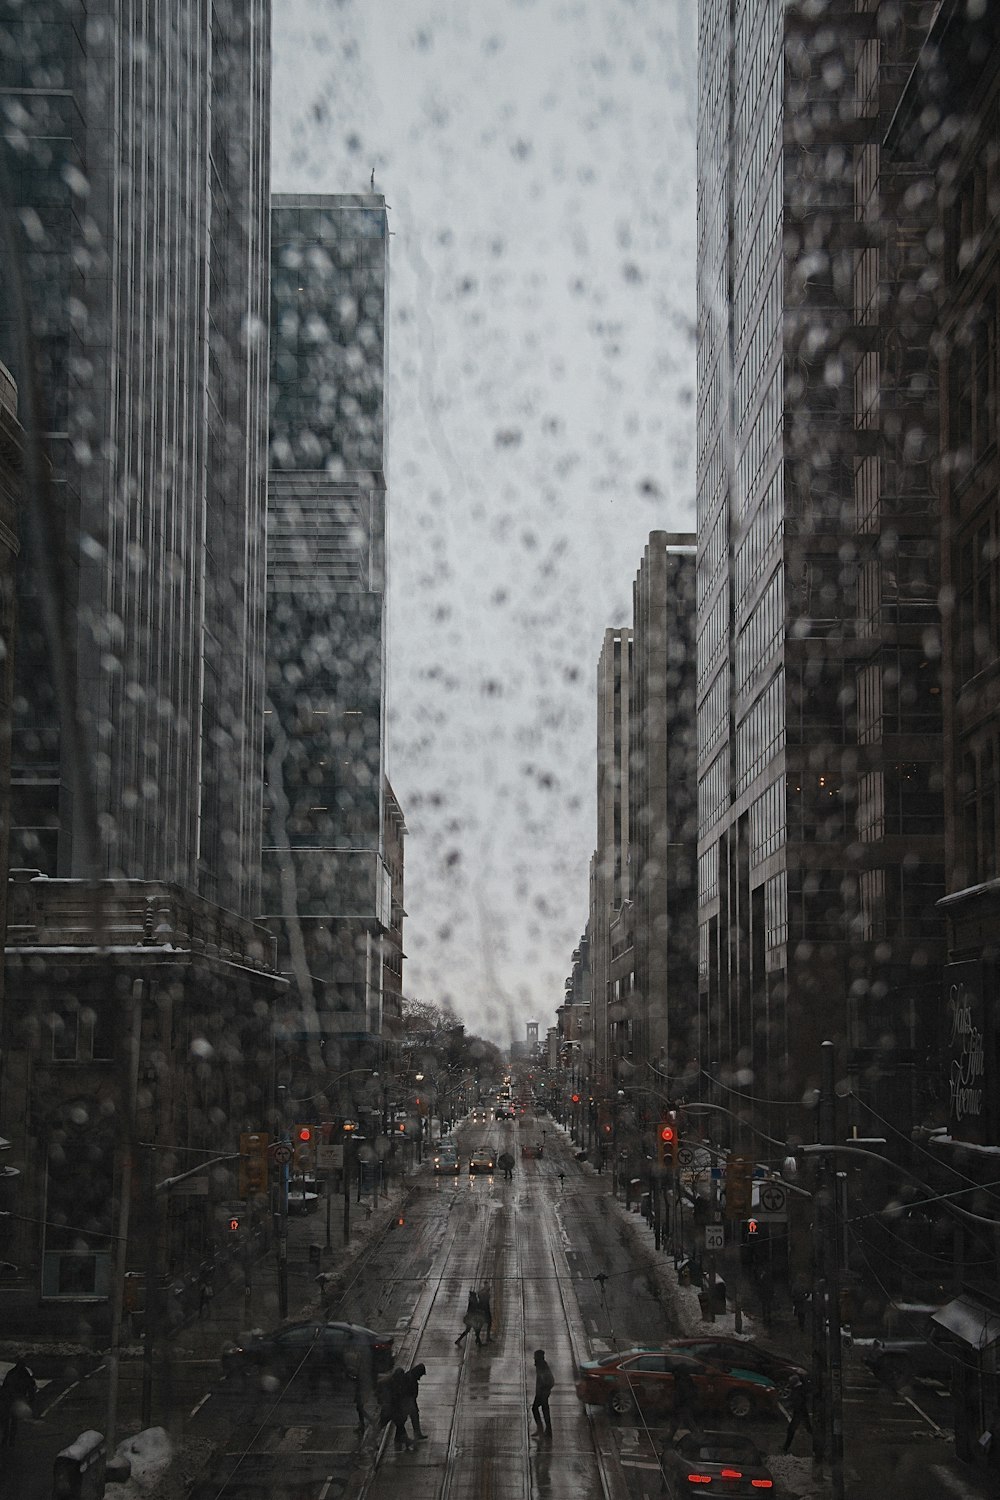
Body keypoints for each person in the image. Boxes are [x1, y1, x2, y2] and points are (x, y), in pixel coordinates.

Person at [0, 1358, 37, 1448]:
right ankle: (11, 1440)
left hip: (8, 1399)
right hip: (18, 1400)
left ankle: (5, 1439)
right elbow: (31, 1387)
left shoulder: (11, 1372)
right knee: (14, 1421)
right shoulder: (25, 1374)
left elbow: (5, 1386)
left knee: (6, 1420)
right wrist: (31, 1399)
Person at [397, 1362, 428, 1441]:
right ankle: (401, 1437)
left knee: (411, 1417)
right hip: (407, 1402)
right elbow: (409, 1393)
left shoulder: (411, 1376)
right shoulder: (410, 1378)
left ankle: (414, 1434)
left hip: (409, 1402)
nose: (420, 1377)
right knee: (404, 1419)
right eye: (421, 1374)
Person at [782, 1372, 812, 1453]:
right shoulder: (801, 1389)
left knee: (791, 1430)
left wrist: (790, 1405)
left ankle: (785, 1448)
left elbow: (797, 1402)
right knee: (809, 1429)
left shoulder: (797, 1391)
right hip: (802, 1412)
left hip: (799, 1413)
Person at [531, 1348, 554, 1434]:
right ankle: (546, 1429)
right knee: (544, 1409)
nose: (534, 1358)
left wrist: (543, 1389)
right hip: (541, 1392)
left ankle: (543, 1429)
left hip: (543, 1392)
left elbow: (547, 1380)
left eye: (535, 1356)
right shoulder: (540, 1365)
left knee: (537, 1408)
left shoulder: (542, 1366)